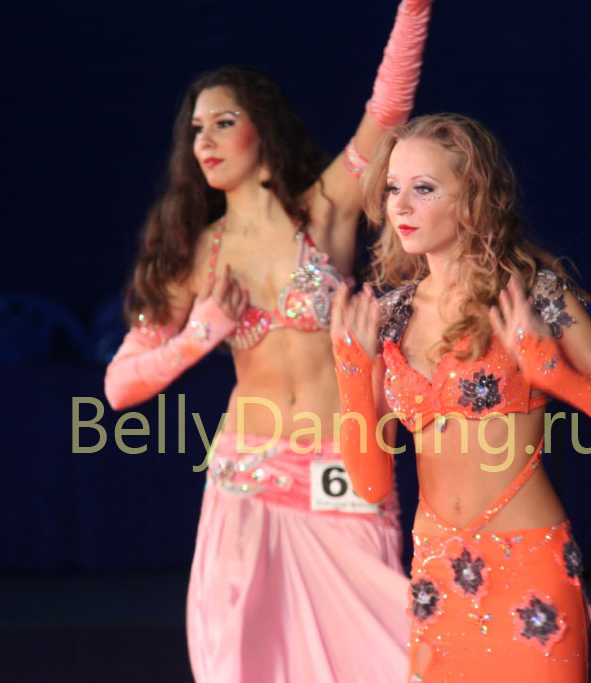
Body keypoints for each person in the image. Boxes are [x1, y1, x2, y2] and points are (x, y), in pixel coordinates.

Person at [103, 2, 435, 680]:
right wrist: (201, 333)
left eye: (224, 121)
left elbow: (390, 108)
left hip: (343, 471)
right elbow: (119, 386)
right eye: (197, 128)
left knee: (385, 657)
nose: (206, 139)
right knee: (246, 666)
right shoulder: (197, 254)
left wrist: (415, 8)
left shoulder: (325, 207)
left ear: (264, 127)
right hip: (245, 481)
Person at [330, 113, 591, 682]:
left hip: (529, 570)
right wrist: (351, 372)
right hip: (436, 576)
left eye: (423, 188)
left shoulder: (532, 294)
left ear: (472, 197)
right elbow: (369, 486)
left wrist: (554, 374)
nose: (401, 206)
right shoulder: (387, 318)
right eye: (392, 188)